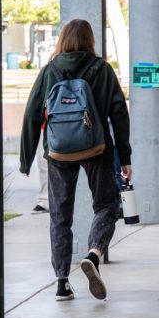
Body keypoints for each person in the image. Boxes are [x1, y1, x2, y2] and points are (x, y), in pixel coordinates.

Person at [20, 19, 132, 301]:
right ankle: (93, 254)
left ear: (63, 40)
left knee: (60, 215)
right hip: (96, 147)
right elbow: (119, 112)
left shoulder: (50, 70)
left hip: (58, 150)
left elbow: (32, 112)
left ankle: (61, 282)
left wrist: (26, 159)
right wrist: (125, 156)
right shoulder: (102, 69)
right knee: (107, 204)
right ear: (90, 40)